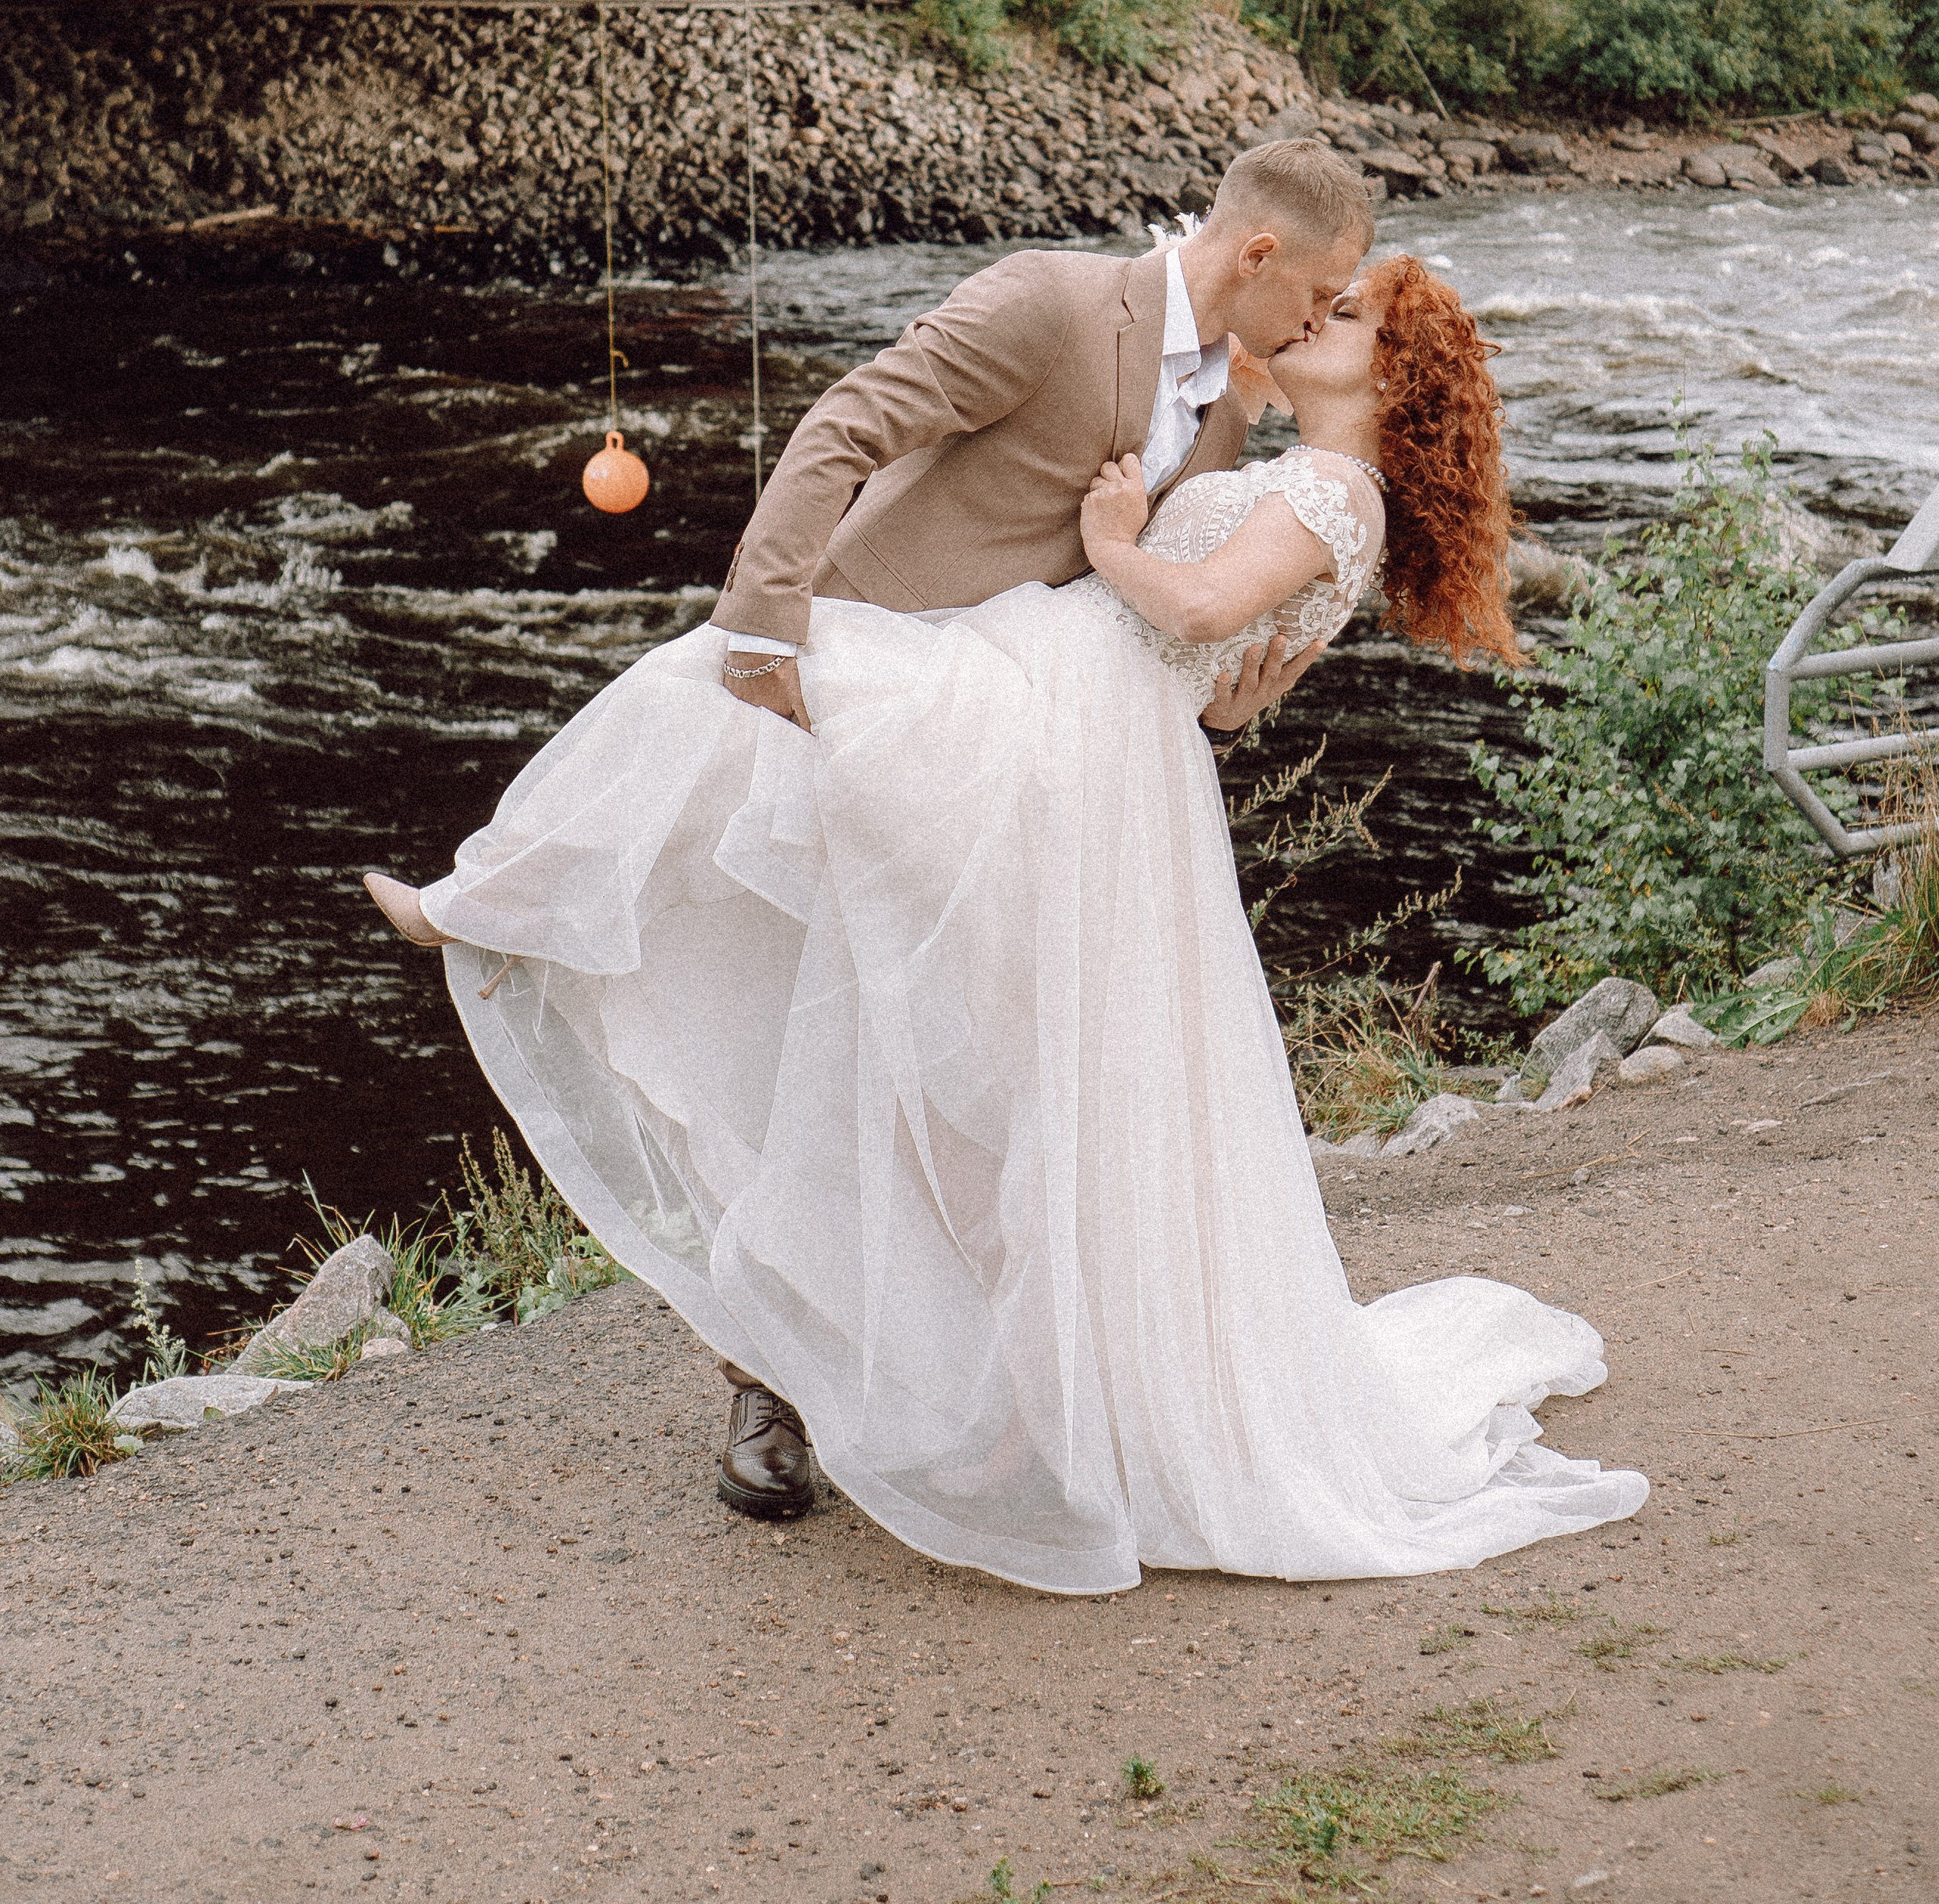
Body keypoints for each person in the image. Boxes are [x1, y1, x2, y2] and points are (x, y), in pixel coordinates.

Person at [364, 208, 1648, 1591]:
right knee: (912, 993)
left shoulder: (1335, 490)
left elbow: (1207, 617)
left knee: (788, 744)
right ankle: (895, 1373)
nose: (1322, 319)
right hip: (1068, 720)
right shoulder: (1219, 406)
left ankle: (500, 899)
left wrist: (1112, 545)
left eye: (1354, 316)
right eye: (1322, 296)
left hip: (1068, 727)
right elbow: (1224, 652)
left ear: (1392, 382)